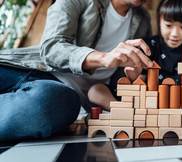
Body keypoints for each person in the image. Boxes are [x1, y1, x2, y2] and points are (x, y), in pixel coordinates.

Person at [0, 0, 153, 141]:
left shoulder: (142, 20)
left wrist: (132, 78)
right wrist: (102, 58)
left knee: (50, 102)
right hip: (22, 68)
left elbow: (122, 77)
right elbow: (51, 48)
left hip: (59, 93)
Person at [88, 0, 182, 123]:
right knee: (95, 91)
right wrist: (133, 76)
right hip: (147, 103)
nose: (174, 34)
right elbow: (136, 85)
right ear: (159, 20)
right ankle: (130, 115)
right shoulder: (149, 45)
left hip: (181, 106)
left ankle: (163, 120)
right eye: (168, 25)